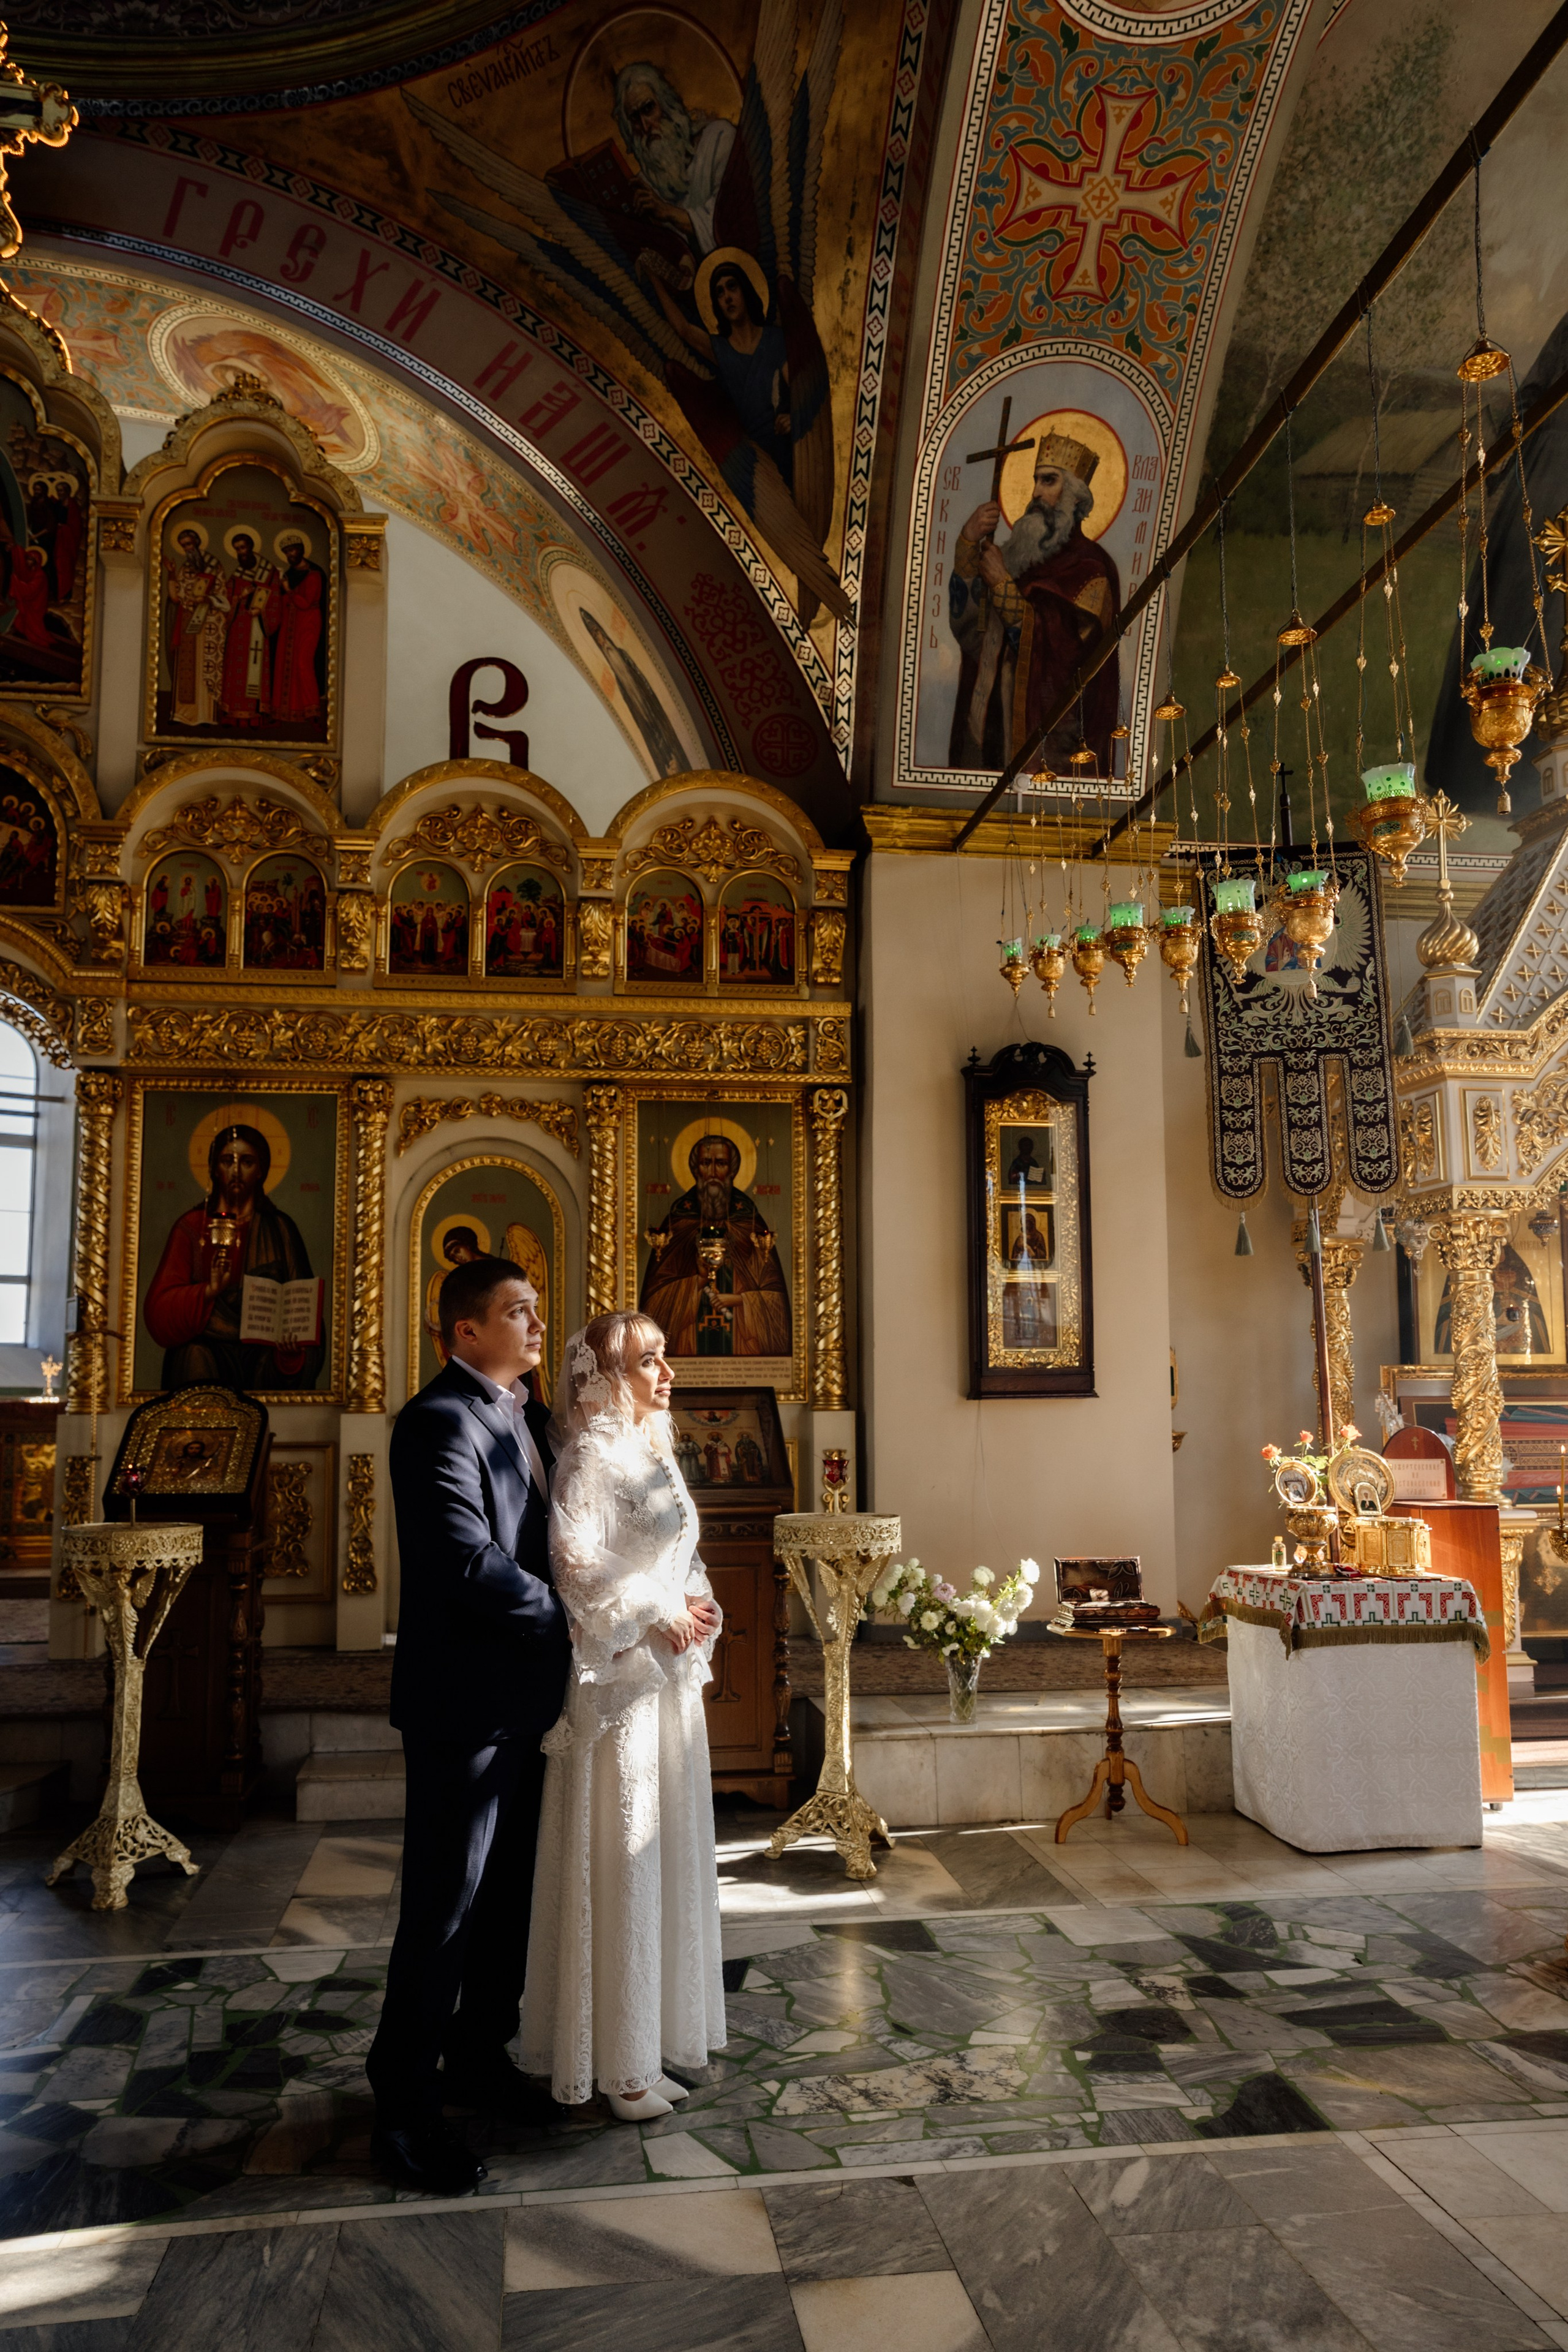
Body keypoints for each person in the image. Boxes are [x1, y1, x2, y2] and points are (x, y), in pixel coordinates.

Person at [367, 1254, 571, 2196]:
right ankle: (402, 2109)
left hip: (527, 1703)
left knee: (507, 1904)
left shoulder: (527, 1415)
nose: (535, 1325)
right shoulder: (437, 1422)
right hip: (464, 1709)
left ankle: (479, 2061)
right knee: (444, 1912)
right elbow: (467, 1562)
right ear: (465, 1334)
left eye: (535, 1309)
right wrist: (583, 1620)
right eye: (517, 1312)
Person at [521, 1311, 725, 2117]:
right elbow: (573, 1560)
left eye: (665, 1356)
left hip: (665, 1683)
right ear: (608, 1380)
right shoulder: (592, 1456)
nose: (667, 1372)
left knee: (662, 1851)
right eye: (650, 1360)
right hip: (618, 1691)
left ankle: (648, 2042)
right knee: (621, 1855)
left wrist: (698, 1604)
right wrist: (653, 1613)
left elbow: (683, 1553)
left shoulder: (652, 1451)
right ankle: (617, 2067)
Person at [948, 434, 1120, 775]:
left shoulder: (1091, 567)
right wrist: (968, 546)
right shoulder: (1021, 560)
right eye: (1035, 481)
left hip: (1048, 750)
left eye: (1049, 481)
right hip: (989, 733)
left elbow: (1066, 656)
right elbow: (974, 634)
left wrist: (1002, 586)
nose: (1036, 494)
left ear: (1074, 496)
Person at [141, 1121, 322, 1390]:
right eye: (228, 1161)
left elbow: (304, 1311)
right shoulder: (191, 1227)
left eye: (247, 1162)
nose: (236, 1171)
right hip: (207, 1351)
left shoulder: (280, 1229)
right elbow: (158, 1312)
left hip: (261, 1357)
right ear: (215, 1169)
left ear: (261, 1170)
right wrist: (208, 1292)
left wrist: (291, 1350)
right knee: (194, 1355)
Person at [639, 1131, 791, 1356]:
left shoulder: (748, 1222)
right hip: (687, 1343)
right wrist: (698, 1282)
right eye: (705, 1163)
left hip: (743, 1345)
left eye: (720, 1164)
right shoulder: (679, 1221)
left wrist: (740, 1300)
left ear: (732, 1170)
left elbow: (776, 1303)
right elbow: (655, 1305)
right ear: (695, 1169)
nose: (712, 1173)